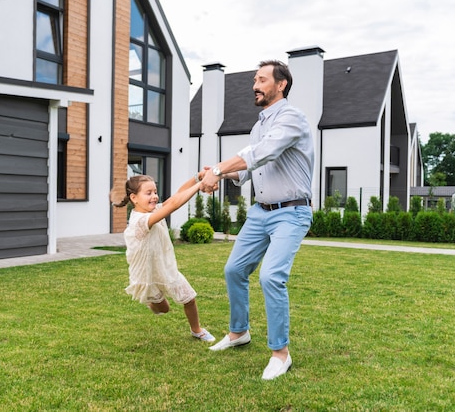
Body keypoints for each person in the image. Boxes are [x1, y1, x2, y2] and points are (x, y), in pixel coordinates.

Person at [200, 60, 314, 380]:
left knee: (270, 277)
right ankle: (239, 333)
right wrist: (217, 173)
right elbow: (248, 170)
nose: (255, 85)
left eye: (262, 79)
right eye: (254, 79)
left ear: (281, 85)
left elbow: (262, 153)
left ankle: (281, 353)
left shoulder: (292, 118)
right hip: (260, 213)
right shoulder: (259, 125)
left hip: (291, 213)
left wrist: (218, 169)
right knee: (234, 270)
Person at [111, 174, 215, 343]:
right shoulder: (141, 220)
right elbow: (174, 205)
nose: (154, 196)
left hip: (165, 269)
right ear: (134, 198)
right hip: (147, 275)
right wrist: (201, 185)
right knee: (163, 309)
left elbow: (176, 196)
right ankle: (152, 302)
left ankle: (197, 330)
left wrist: (197, 178)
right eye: (148, 193)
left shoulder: (153, 211)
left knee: (189, 298)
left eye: (155, 192)